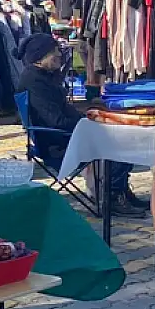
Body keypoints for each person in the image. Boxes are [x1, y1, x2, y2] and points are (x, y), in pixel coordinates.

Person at [14, 33, 142, 214]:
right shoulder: (34, 81)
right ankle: (112, 197)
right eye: (54, 52)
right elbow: (56, 121)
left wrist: (91, 118)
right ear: (39, 57)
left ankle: (119, 190)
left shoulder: (43, 76)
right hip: (56, 143)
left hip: (65, 135)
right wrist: (89, 126)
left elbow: (64, 113)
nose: (59, 54)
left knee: (121, 134)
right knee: (116, 141)